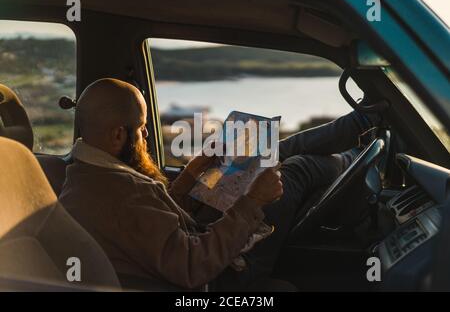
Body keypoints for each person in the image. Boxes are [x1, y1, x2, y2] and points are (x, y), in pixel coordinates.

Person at [59, 78, 380, 291]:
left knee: (271, 153)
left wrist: (192, 173)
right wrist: (253, 201)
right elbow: (191, 267)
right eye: (142, 129)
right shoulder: (120, 194)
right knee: (297, 171)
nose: (145, 136)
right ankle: (357, 147)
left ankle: (359, 128)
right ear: (118, 135)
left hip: (199, 239)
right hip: (215, 279)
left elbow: (153, 224)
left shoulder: (88, 174)